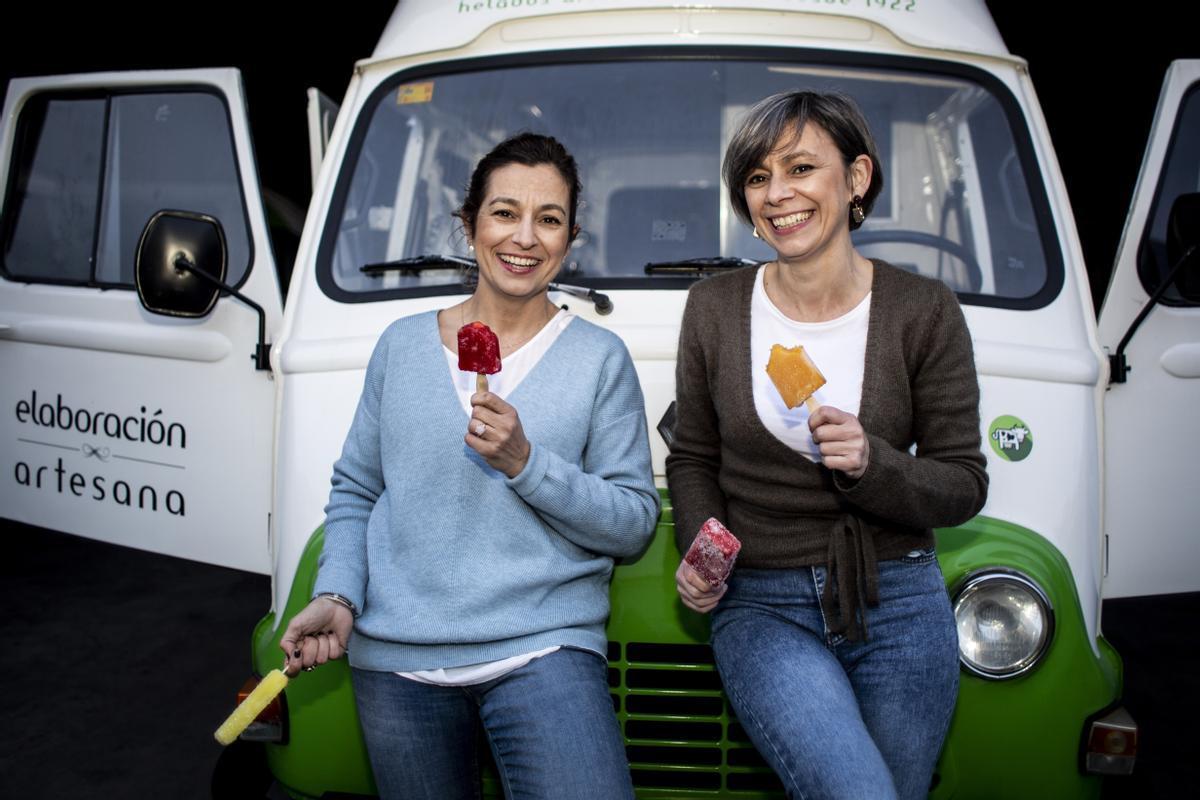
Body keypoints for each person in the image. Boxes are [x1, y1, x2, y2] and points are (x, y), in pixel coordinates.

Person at [280, 133, 659, 800]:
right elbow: (357, 491)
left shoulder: (600, 359)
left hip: (544, 648)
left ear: (570, 238)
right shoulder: (400, 346)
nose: (525, 237)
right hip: (397, 661)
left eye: (549, 219)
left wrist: (526, 463)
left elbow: (632, 524)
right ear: (470, 223)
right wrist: (338, 594)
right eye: (504, 212)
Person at [666, 91, 988, 800]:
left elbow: (963, 483)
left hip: (897, 599)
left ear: (858, 177)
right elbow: (693, 456)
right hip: (762, 602)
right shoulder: (715, 308)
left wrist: (875, 464)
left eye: (801, 168)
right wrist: (702, 547)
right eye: (756, 177)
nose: (776, 194)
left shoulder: (923, 311)